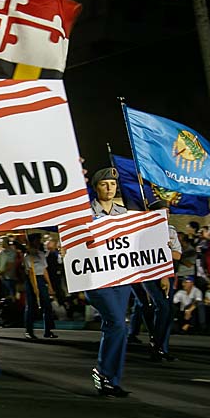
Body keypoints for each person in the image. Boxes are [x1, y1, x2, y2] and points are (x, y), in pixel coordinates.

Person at [83, 167, 133, 397]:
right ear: (95, 187)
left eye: (113, 184)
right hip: (96, 277)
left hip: (121, 277)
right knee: (117, 323)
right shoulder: (84, 213)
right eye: (104, 184)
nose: (110, 188)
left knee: (118, 326)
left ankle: (111, 377)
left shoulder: (124, 213)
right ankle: (103, 372)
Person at [145, 199, 182, 361]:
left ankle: (162, 347)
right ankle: (156, 345)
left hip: (167, 272)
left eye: (168, 212)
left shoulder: (171, 231)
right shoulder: (145, 231)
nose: (166, 215)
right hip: (149, 274)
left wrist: (165, 251)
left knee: (167, 309)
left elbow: (177, 255)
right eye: (162, 212)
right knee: (160, 307)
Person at [22, 233, 58, 339]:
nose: (39, 242)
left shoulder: (41, 254)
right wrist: (35, 288)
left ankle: (48, 330)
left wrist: (50, 286)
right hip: (31, 280)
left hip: (41, 279)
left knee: (47, 305)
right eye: (37, 240)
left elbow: (44, 270)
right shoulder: (27, 255)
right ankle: (29, 331)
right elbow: (30, 272)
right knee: (31, 306)